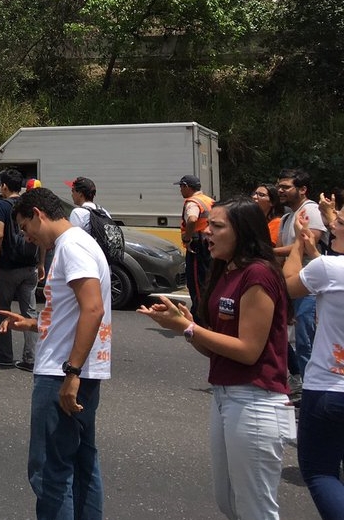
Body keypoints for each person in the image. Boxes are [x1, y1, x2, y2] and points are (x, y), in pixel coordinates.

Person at [139, 199, 289, 520]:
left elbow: (248, 350)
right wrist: (185, 325)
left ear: (243, 232)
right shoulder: (225, 271)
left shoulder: (258, 274)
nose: (207, 232)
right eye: (208, 225)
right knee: (228, 502)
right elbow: (213, 348)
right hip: (225, 397)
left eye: (217, 226)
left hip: (255, 401)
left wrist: (190, 328)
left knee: (255, 510)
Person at [0, 186, 111, 520]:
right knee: (81, 463)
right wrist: (33, 324)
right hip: (80, 369)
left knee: (50, 471)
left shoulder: (71, 247)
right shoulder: (79, 243)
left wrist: (71, 373)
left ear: (38, 214)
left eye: (24, 228)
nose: (27, 237)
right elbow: (74, 313)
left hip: (62, 373)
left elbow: (93, 309)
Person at [284, 207, 344, 519]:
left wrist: (297, 243)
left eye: (341, 221)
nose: (332, 225)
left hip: (329, 389)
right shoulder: (327, 267)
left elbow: (289, 284)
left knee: (321, 473)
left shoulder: (330, 269)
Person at [275, 168, 326, 398]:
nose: (280, 190)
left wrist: (269, 250)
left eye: (286, 187)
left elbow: (308, 241)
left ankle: (310, 391)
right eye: (279, 186)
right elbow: (283, 254)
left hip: (309, 287)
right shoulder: (287, 217)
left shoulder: (311, 210)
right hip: (290, 284)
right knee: (281, 335)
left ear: (302, 189)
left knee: (306, 341)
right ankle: (298, 382)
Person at [0, 169, 39, 371]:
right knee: (30, 312)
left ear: (4, 186)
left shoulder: (2, 205)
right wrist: (41, 263)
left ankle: (4, 355)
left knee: (3, 310)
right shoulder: (29, 205)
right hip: (30, 266)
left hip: (9, 267)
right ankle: (31, 358)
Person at [177, 174, 215, 324]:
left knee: (196, 282)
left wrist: (187, 237)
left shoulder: (192, 202)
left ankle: (199, 317)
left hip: (198, 246)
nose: (180, 190)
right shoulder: (209, 200)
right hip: (210, 243)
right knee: (208, 279)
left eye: (181, 187)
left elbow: (192, 219)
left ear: (187, 187)